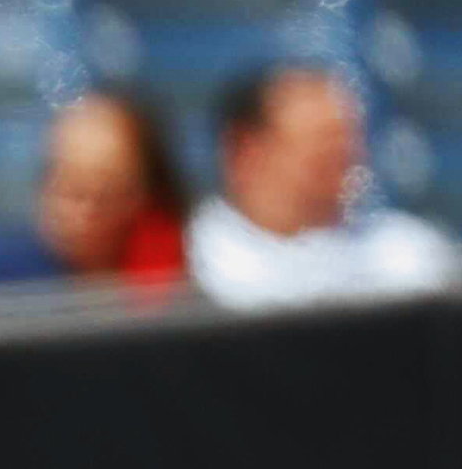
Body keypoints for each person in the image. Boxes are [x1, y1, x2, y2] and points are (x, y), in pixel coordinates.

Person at [185, 62, 455, 307]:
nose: (346, 160)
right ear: (246, 151)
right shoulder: (188, 264)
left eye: (348, 143)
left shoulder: (408, 254)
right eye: (322, 145)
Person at [0, 89, 192, 287]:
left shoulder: (176, 274)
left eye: (106, 192)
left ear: (144, 195)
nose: (84, 210)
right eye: (71, 189)